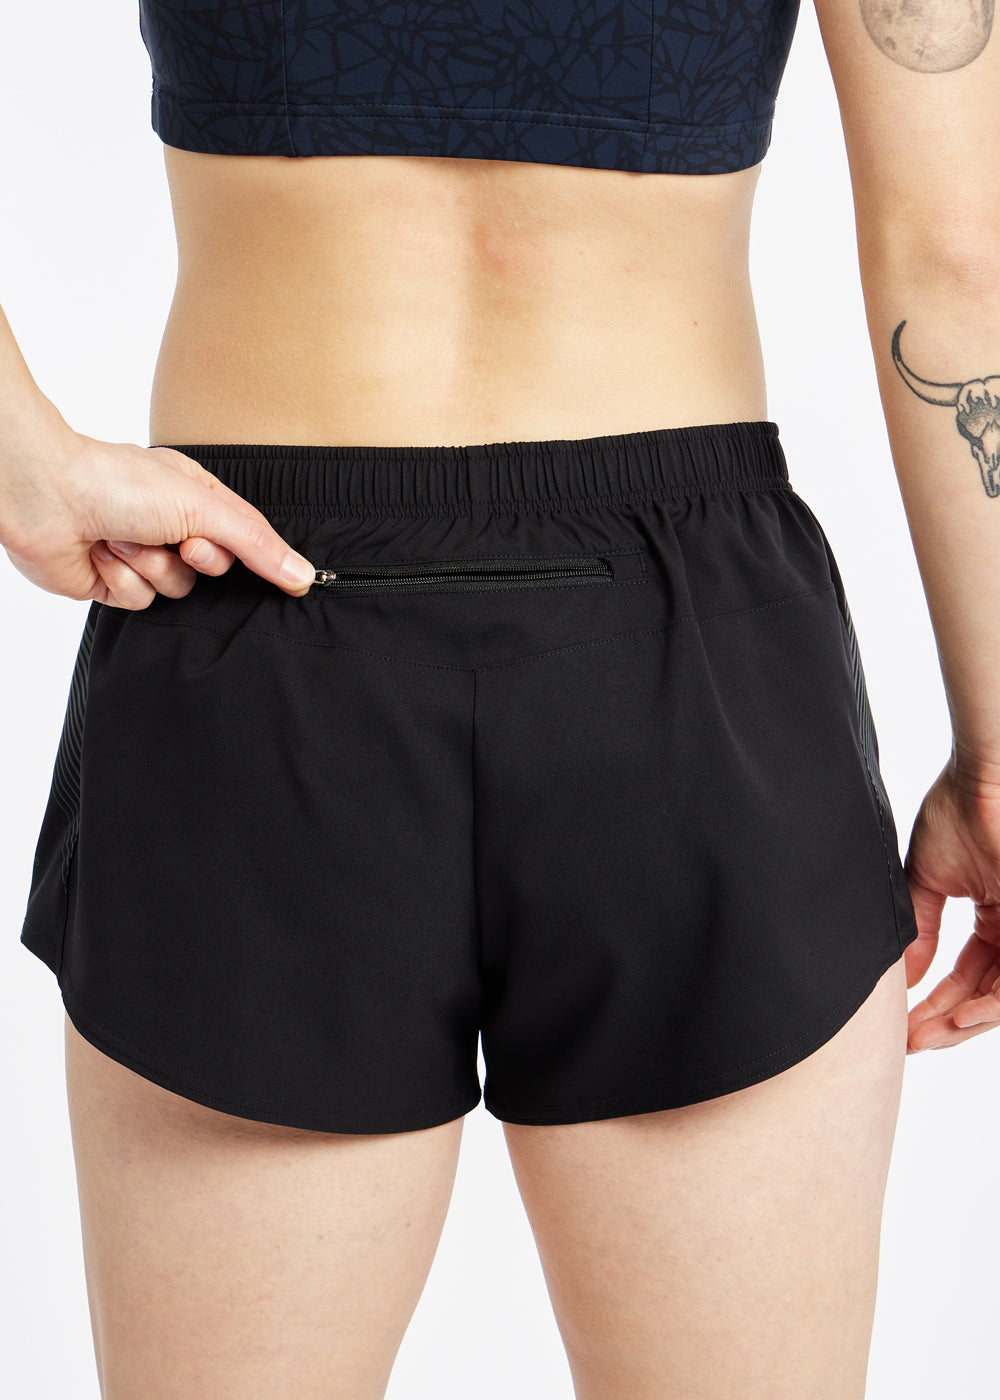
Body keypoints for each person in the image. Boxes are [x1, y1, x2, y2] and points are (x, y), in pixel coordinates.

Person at [2, 0, 1000, 1395]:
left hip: (252, 611)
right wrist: (996, 760)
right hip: (687, 661)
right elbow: (957, 259)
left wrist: (22, 456)